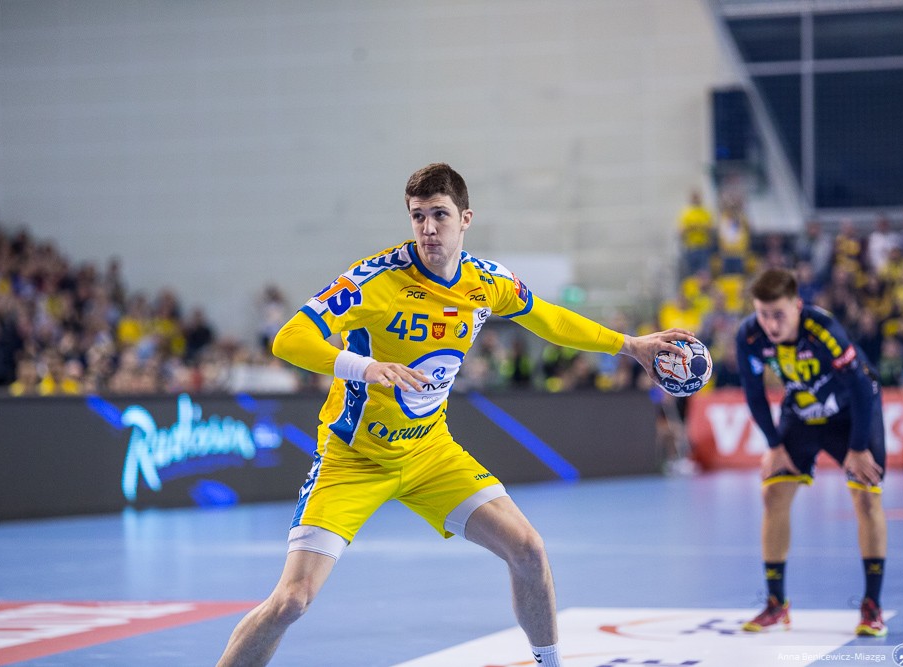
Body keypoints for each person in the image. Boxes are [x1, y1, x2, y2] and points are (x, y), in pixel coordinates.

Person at [216, 163, 693, 666]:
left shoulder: (487, 282)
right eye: (417, 216)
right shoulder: (374, 280)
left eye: (439, 215)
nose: (428, 228)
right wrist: (366, 367)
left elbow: (549, 319)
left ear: (465, 218)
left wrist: (630, 345)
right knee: (291, 601)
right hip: (352, 459)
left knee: (528, 550)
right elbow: (289, 338)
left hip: (429, 453)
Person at [736, 268, 888, 637]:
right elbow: (754, 393)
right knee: (773, 494)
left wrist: (857, 448)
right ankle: (776, 604)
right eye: (763, 314)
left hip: (851, 413)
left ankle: (871, 605)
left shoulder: (823, 330)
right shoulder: (750, 335)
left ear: (797, 306)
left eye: (779, 314)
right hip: (802, 412)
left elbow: (862, 386)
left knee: (866, 497)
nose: (771, 325)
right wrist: (774, 445)